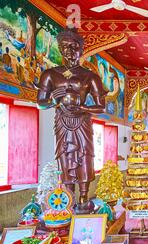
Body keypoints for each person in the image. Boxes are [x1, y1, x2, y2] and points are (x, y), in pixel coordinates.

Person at [37, 27, 106, 213]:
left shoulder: (90, 76)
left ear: (81, 50)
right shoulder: (50, 74)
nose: (69, 51)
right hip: (62, 121)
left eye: (74, 47)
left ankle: (84, 197)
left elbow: (102, 106)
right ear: (60, 49)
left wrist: (83, 108)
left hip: (82, 122)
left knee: (85, 156)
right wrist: (52, 100)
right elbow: (40, 103)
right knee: (65, 156)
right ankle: (68, 197)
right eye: (65, 47)